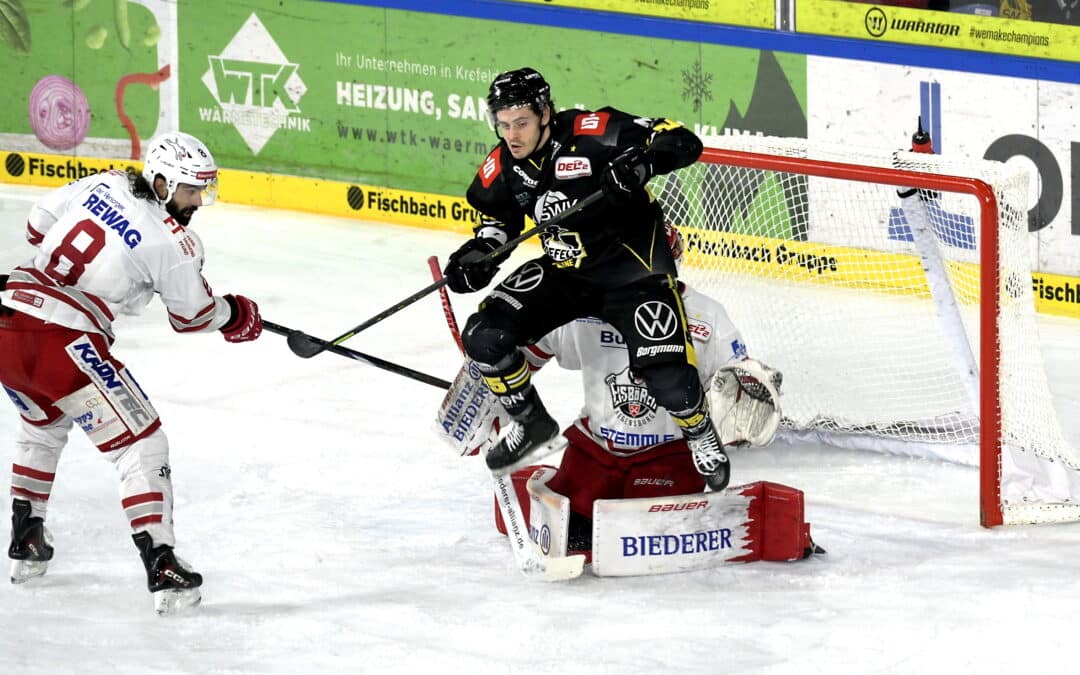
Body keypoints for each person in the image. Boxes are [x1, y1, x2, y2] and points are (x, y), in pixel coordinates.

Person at [0, 131, 263, 614]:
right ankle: (162, 563)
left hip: (9, 324)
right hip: (65, 340)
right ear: (161, 183)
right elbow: (193, 315)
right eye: (190, 190)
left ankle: (27, 538)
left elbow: (38, 227)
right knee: (142, 444)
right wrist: (237, 314)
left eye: (203, 189)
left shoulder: (103, 182)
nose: (198, 201)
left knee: (42, 425)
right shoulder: (176, 241)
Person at [442, 67, 733, 491]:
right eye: (503, 125)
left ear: (545, 113)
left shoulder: (592, 132)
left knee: (669, 377)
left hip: (632, 272)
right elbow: (497, 221)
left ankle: (701, 434)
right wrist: (480, 254)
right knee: (484, 335)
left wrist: (643, 163)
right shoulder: (503, 163)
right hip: (566, 273)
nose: (512, 135)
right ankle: (531, 422)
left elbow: (682, 140)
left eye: (521, 122)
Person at [463, 225, 784, 559]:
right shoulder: (582, 311)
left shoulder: (707, 315)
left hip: (670, 455)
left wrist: (752, 388)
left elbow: (738, 383)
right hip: (595, 449)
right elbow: (529, 356)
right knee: (572, 528)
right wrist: (495, 377)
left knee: (647, 532)